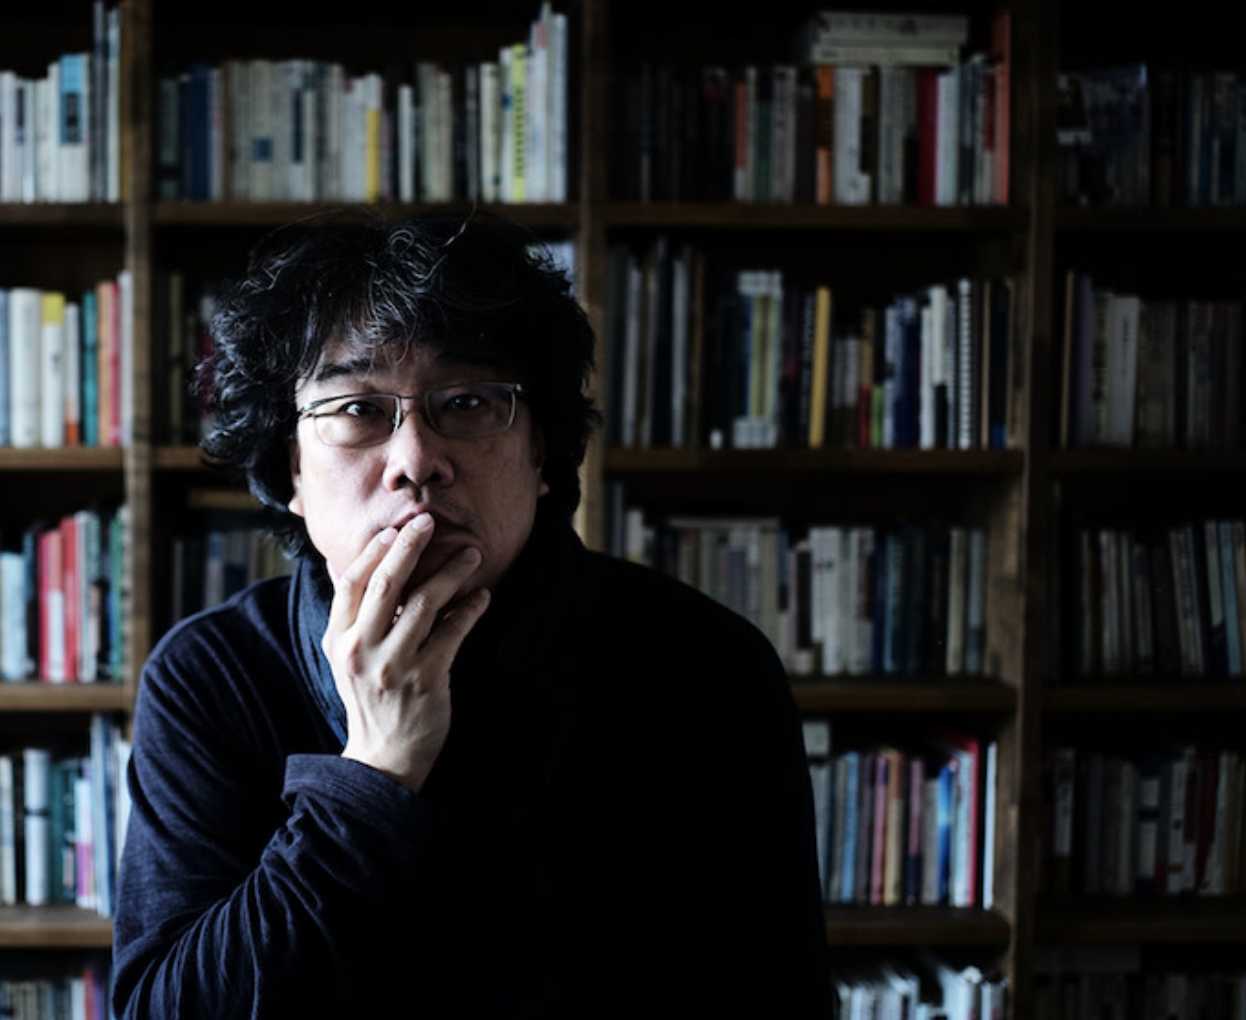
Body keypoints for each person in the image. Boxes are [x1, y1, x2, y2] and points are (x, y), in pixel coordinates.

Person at [111, 210, 832, 1018]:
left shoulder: (708, 667)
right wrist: (372, 775)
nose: (418, 461)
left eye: (467, 401)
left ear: (542, 454)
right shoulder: (211, 677)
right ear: (291, 474)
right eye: (356, 410)